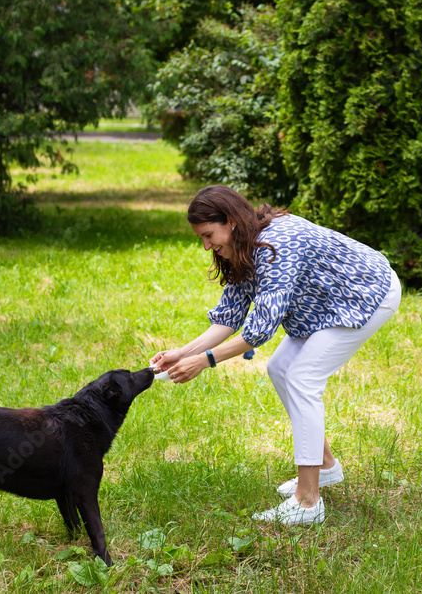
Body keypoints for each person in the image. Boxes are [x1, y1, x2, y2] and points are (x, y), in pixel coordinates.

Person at [151, 185, 402, 525]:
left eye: (208, 235)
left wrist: (205, 360)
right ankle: (326, 466)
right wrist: (182, 353)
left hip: (366, 294)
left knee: (302, 378)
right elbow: (229, 319)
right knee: (281, 368)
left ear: (230, 221)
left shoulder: (277, 245)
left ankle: (308, 502)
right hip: (326, 306)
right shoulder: (240, 246)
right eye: (202, 238)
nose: (207, 246)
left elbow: (259, 330)